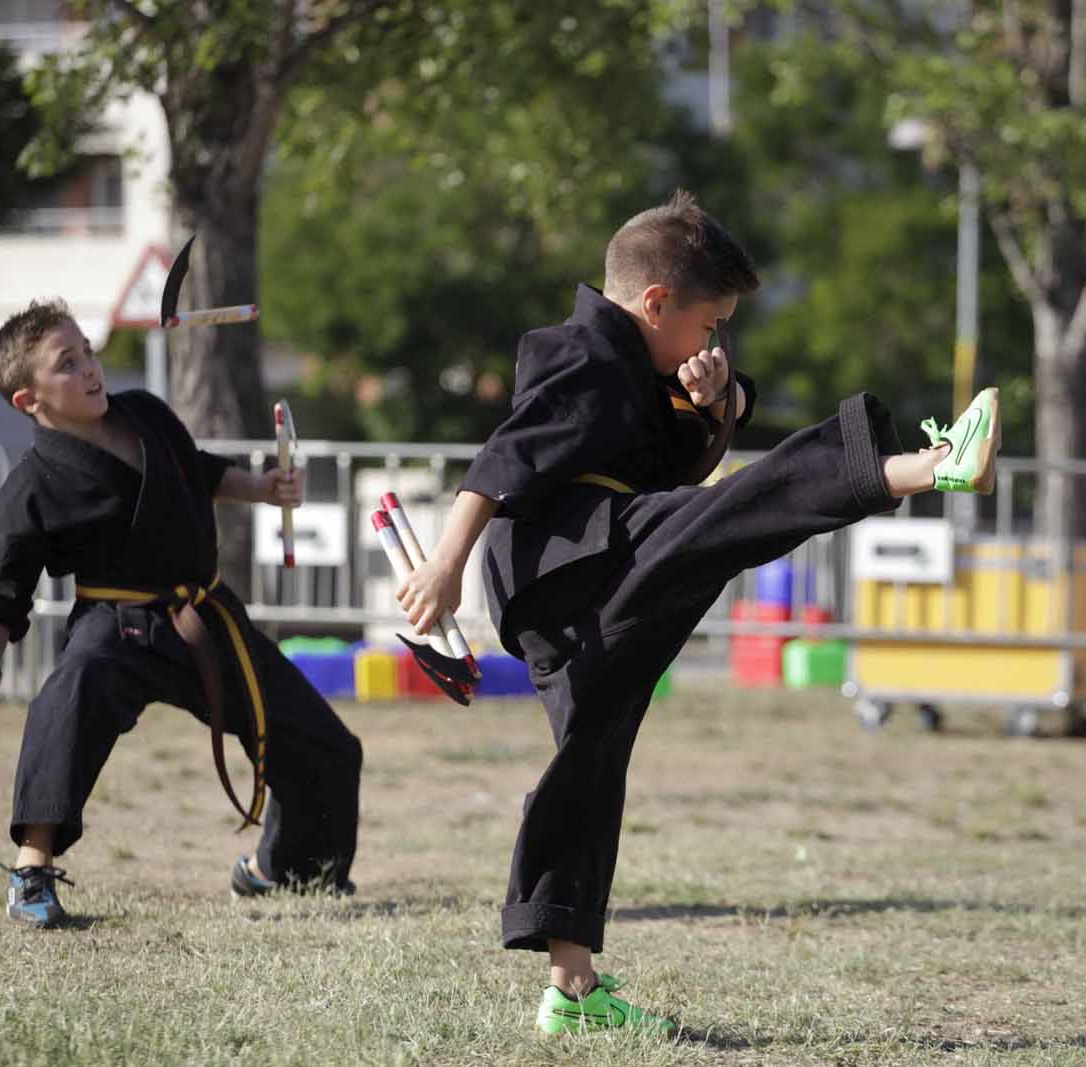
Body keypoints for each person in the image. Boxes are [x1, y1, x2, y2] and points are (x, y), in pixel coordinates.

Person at [395, 190, 1000, 1035]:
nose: (711, 341)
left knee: (591, 759)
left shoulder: (637, 364)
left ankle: (572, 992)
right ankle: (925, 464)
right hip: (576, 558)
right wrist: (444, 560)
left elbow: (678, 449)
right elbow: (504, 458)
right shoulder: (582, 353)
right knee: (739, 510)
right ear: (653, 302)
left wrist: (713, 399)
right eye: (708, 325)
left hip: (586, 575)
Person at [0, 298, 362, 928]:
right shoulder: (33, 482)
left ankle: (289, 871)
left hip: (204, 613)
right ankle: (32, 869)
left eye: (88, 351)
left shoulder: (147, 415)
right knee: (69, 697)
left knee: (325, 744)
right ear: (31, 401)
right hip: (118, 625)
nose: (90, 369)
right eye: (68, 363)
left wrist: (262, 489)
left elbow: (195, 471)